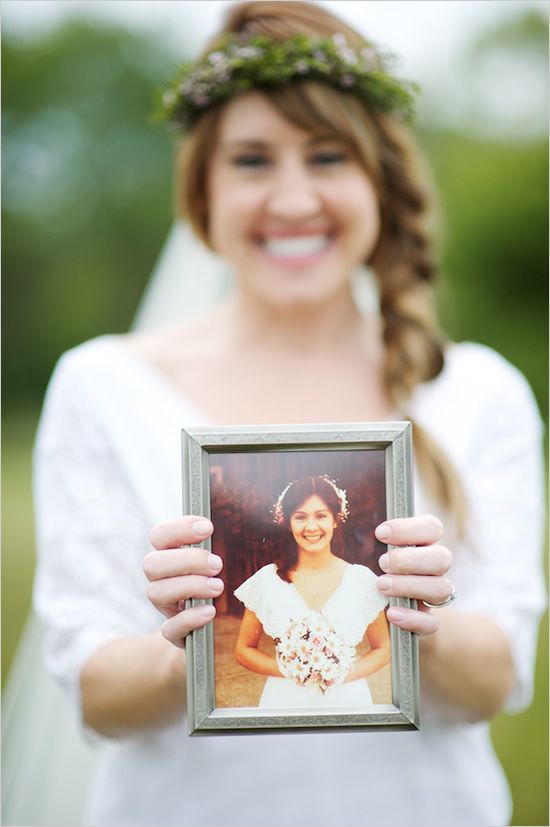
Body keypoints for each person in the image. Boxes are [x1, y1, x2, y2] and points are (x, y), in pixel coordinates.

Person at [31, 2, 545, 826]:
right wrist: (188, 650)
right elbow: (94, 694)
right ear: (203, 189)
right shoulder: (104, 386)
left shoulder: (481, 391)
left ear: (380, 179)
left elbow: (498, 679)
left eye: (328, 155)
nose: (294, 197)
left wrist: (423, 623)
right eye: (252, 160)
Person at [233, 475, 390, 707]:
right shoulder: (267, 580)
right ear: (288, 522)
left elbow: (383, 649)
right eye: (300, 517)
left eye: (321, 516)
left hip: (348, 700)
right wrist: (291, 670)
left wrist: (338, 674)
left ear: (335, 519)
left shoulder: (362, 580)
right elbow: (243, 650)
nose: (311, 527)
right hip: (283, 701)